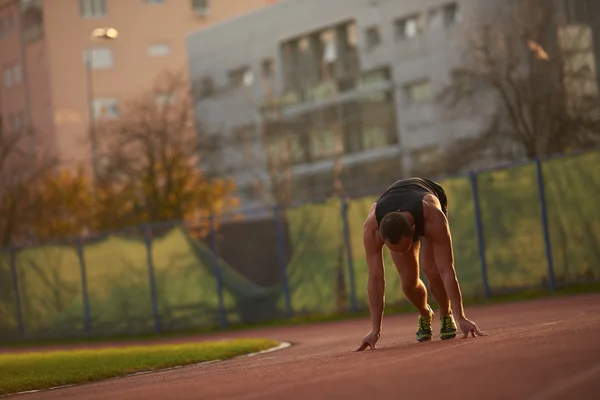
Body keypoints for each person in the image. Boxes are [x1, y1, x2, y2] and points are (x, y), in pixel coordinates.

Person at [356, 177, 486, 351]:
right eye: (395, 250)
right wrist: (375, 330)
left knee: (432, 270)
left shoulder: (432, 217)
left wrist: (460, 316)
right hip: (399, 209)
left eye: (404, 247)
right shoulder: (372, 228)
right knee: (408, 283)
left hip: (426, 202)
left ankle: (446, 313)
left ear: (413, 231)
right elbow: (375, 279)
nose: (401, 253)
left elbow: (446, 270)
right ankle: (425, 314)